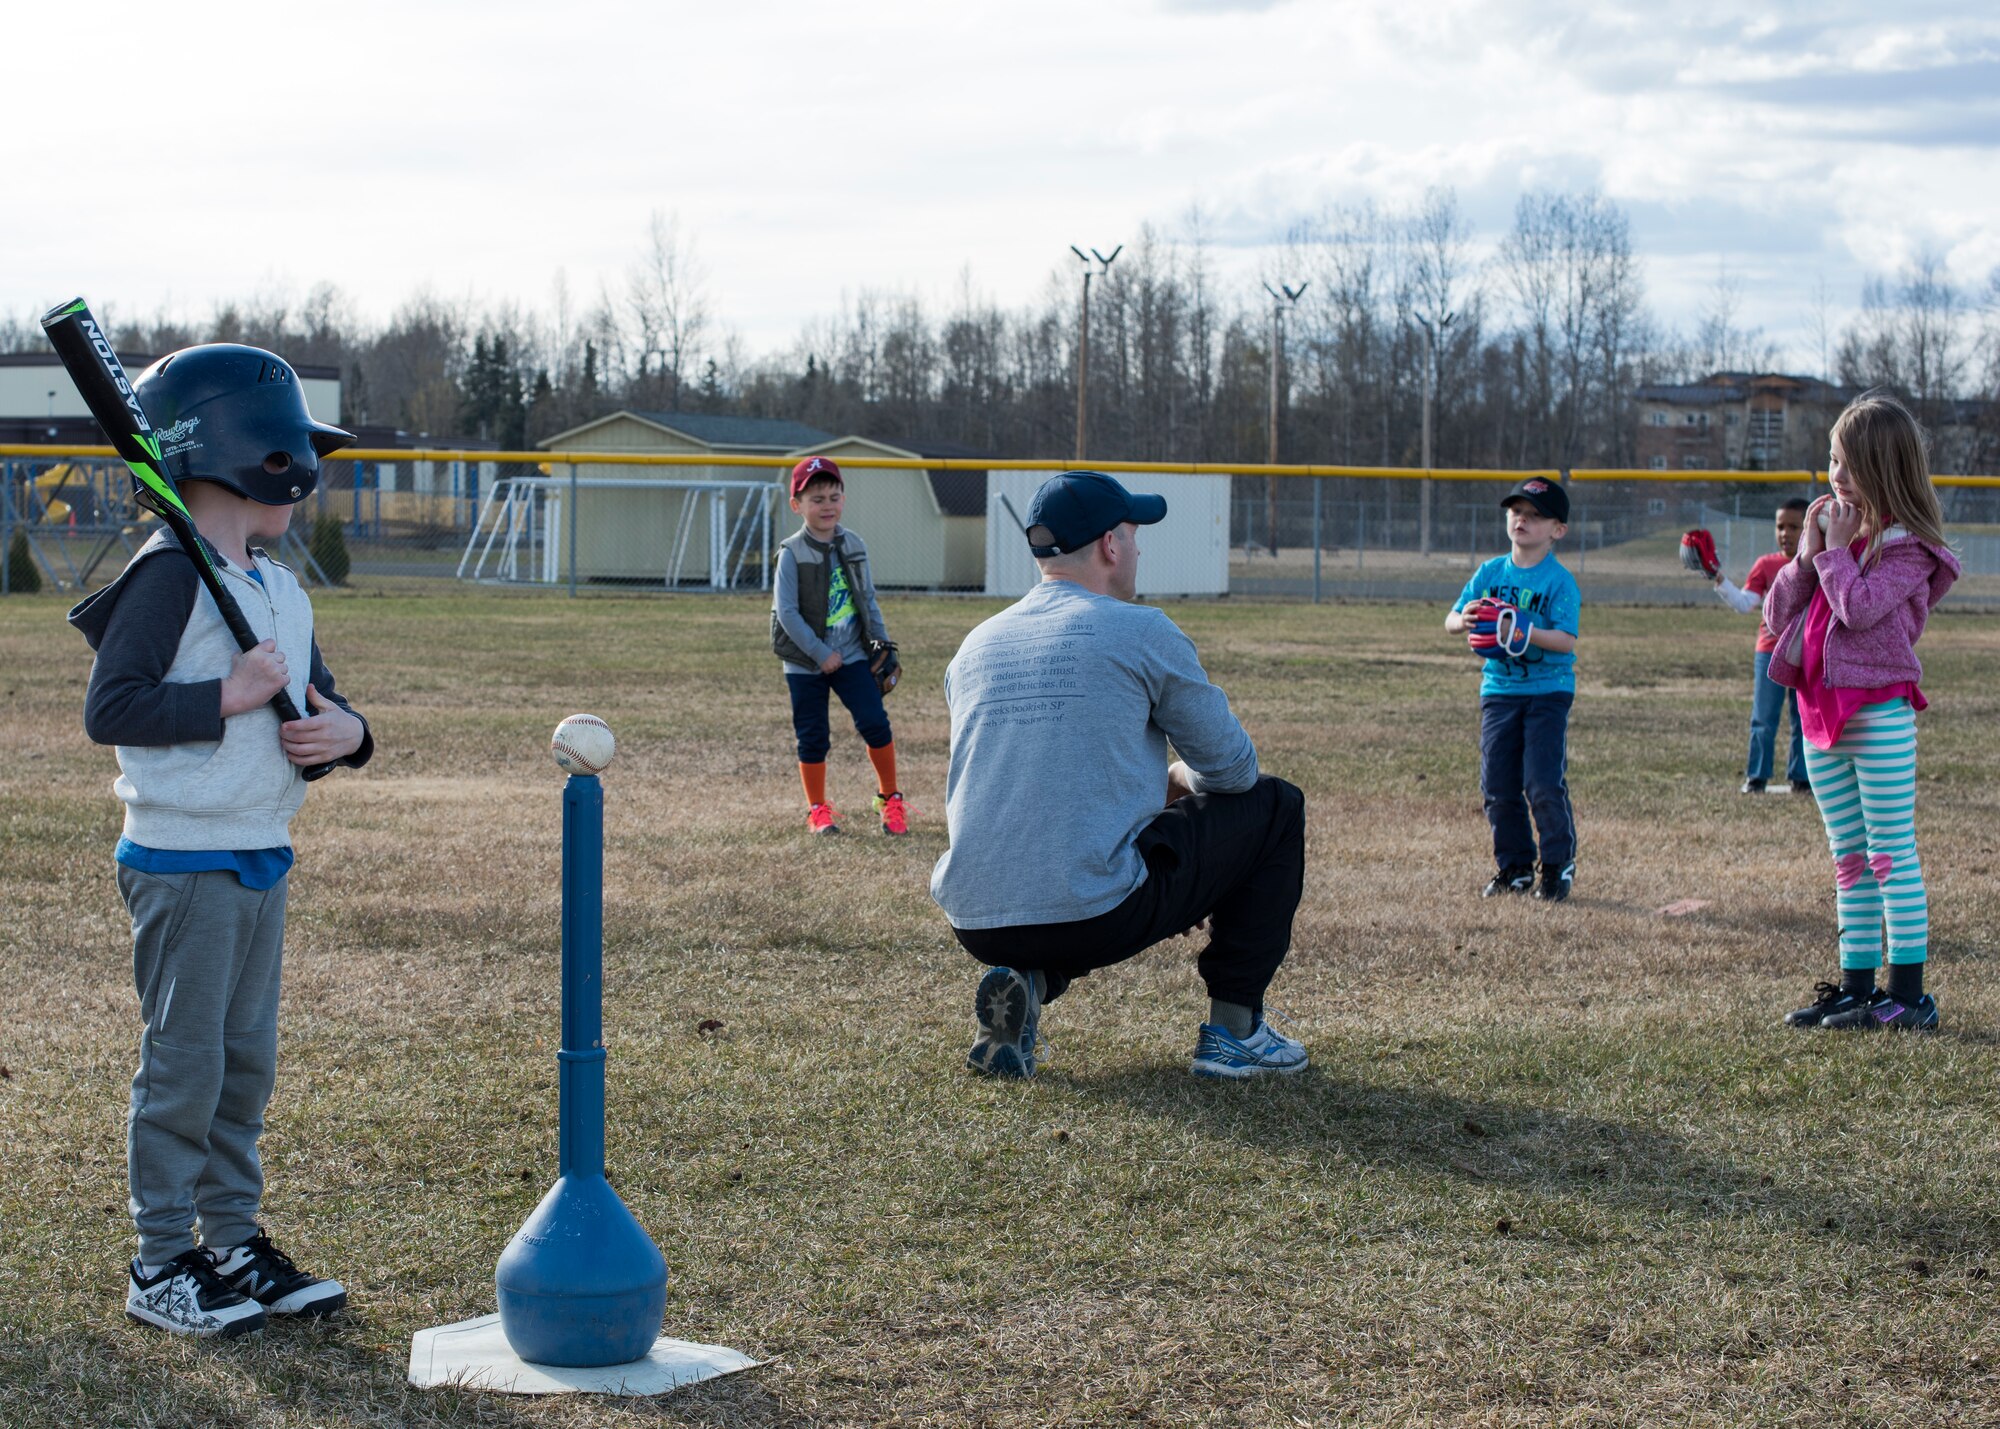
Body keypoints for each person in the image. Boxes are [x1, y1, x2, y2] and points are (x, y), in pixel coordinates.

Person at [67, 344, 374, 1337]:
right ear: (258, 457)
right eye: (296, 455)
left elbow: (319, 709)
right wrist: (224, 695)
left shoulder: (278, 585)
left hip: (260, 849)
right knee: (185, 1064)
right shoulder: (169, 575)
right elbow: (112, 706)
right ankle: (161, 1261)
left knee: (244, 1063)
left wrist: (350, 735)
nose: (305, 476)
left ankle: (232, 1242)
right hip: (183, 859)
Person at [930, 470, 1308, 1081]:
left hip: (976, 921)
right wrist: (1178, 778)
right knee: (1277, 807)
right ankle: (1237, 1033)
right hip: (1090, 912)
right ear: (1110, 545)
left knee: (1069, 871)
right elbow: (1235, 771)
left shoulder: (974, 645)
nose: (1138, 550)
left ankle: (1030, 981)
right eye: (1133, 535)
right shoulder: (1140, 630)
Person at [1766, 394, 1959, 1032]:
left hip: (1878, 715)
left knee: (1889, 854)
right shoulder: (1833, 538)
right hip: (1819, 713)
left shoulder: (1910, 549)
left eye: (1851, 464)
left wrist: (1835, 552)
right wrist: (1808, 553)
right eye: (1832, 460)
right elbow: (1776, 618)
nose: (1836, 476)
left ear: (1887, 469)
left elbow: (1859, 609)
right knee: (1847, 854)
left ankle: (1909, 997)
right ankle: (1856, 988)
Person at [1446, 476, 1582, 902]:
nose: (1522, 520)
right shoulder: (1489, 572)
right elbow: (1452, 619)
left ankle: (1558, 865)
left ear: (1557, 530)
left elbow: (1565, 639)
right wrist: (1464, 620)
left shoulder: (1559, 582)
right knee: (1498, 785)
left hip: (1548, 691)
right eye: (1516, 511)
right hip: (1499, 690)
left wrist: (1523, 628)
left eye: (1535, 515)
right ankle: (1515, 867)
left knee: (1541, 782)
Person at [769, 455, 907, 836]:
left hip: (851, 656)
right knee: (813, 736)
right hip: (804, 660)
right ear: (797, 505)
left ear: (843, 499)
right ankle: (817, 810)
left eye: (833, 496)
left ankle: (890, 799)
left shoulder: (854, 544)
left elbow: (867, 598)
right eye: (816, 499)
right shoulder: (791, 552)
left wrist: (881, 642)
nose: (826, 505)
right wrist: (819, 654)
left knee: (875, 723)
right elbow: (787, 613)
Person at [1693, 499, 1813, 793]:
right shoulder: (1766, 564)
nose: (1785, 533)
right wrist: (1718, 578)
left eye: (1794, 527)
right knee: (1763, 717)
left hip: (1806, 652)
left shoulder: (1818, 564)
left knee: (1804, 718)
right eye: (1780, 526)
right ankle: (1757, 775)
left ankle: (1801, 777)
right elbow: (1746, 603)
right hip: (1770, 651)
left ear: (1809, 529)